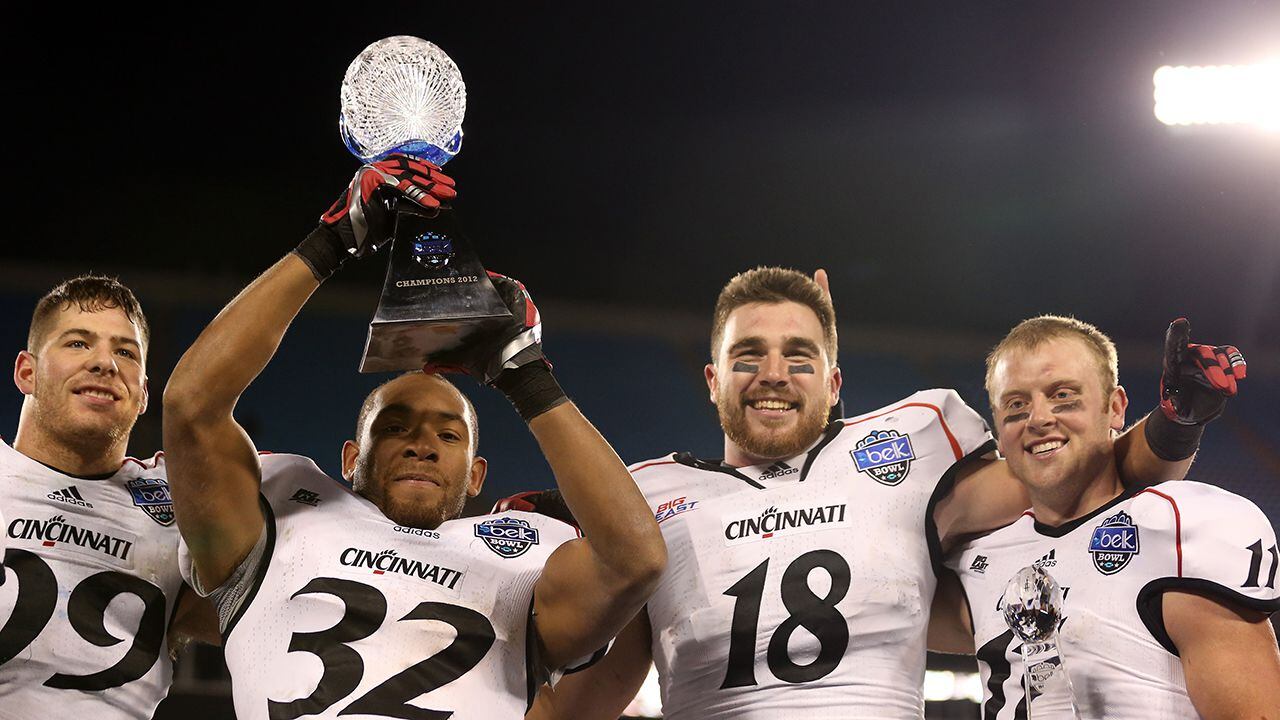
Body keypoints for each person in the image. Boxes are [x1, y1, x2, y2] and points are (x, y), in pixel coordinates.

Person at [522, 267, 1231, 719]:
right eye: (748, 357)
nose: (773, 374)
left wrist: (1173, 424)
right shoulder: (648, 501)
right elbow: (575, 709)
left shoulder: (912, 446)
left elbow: (1081, 475)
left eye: (800, 357)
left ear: (834, 384)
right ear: (712, 383)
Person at [162, 154, 666, 720]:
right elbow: (191, 407)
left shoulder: (523, 559)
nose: (421, 444)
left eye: (448, 436)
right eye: (395, 427)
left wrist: (527, 377)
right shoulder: (278, 525)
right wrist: (332, 241)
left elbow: (638, 559)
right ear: (351, 458)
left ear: (477, 474)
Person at [935, 315, 1277, 719]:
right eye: (1016, 404)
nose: (1039, 418)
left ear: (1115, 408)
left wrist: (1173, 431)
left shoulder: (1174, 529)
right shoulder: (979, 561)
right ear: (997, 428)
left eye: (1062, 395)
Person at [0, 275, 216, 719]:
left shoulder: (177, 507)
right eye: (78, 343)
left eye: (125, 352)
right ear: (27, 372)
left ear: (142, 395)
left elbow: (273, 614)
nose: (105, 363)